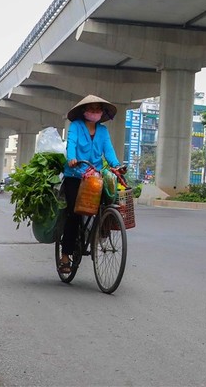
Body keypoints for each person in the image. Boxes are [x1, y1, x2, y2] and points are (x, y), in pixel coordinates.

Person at [58, 94, 124, 275]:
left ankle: (100, 231)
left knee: (108, 202)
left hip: (94, 176)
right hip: (75, 175)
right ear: (84, 112)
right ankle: (65, 255)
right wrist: (72, 158)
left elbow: (108, 151)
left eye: (98, 109)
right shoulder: (76, 127)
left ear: (101, 113)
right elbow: (71, 145)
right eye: (91, 109)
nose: (95, 112)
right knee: (74, 213)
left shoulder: (102, 131)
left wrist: (116, 165)